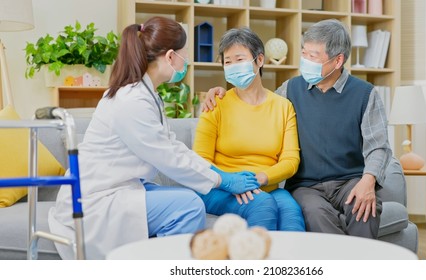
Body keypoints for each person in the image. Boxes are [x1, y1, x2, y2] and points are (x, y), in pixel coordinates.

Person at [48, 17, 259, 260]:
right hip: (95, 200)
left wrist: (217, 174)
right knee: (188, 207)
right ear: (170, 57)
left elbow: (172, 147)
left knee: (181, 199)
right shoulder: (132, 100)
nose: (185, 63)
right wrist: (222, 179)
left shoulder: (145, 94)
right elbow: (168, 157)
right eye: (184, 56)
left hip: (115, 187)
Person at [202, 19, 392, 239]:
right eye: (304, 53)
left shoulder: (365, 94)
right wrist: (219, 92)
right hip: (306, 186)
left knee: (364, 209)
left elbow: (378, 146)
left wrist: (368, 181)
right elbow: (258, 100)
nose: (305, 61)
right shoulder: (290, 89)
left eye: (313, 56)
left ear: (338, 60)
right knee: (314, 214)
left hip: (350, 181)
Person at [193, 27, 305, 231]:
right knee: (262, 205)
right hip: (219, 187)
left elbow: (291, 160)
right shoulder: (216, 104)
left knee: (291, 214)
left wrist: (260, 179)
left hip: (265, 185)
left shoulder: (282, 106)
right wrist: (231, 182)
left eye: (240, 59)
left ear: (259, 60)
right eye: (228, 62)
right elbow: (200, 161)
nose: (233, 66)